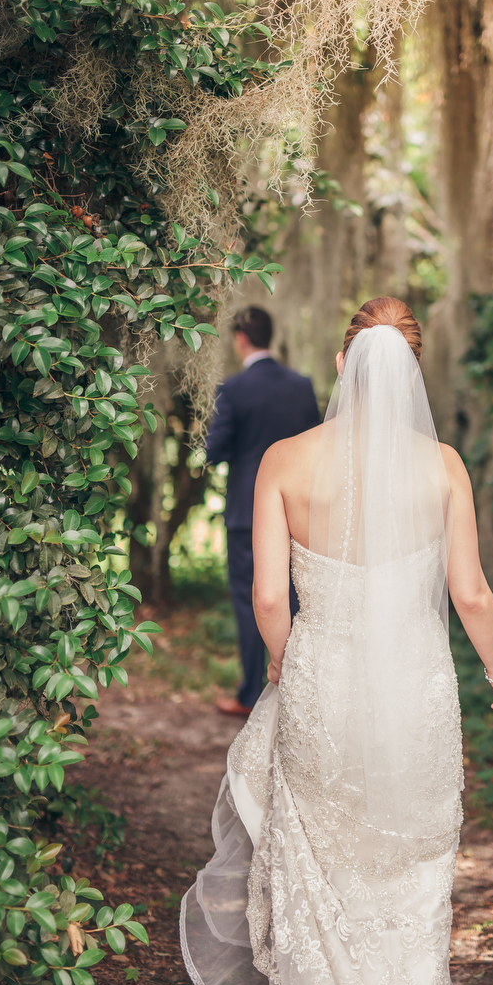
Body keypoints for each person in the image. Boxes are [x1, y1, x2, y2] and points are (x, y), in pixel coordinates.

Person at [181, 297, 493, 985]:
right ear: (412, 377)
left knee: (322, 862)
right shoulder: (445, 467)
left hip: (322, 686)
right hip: (416, 692)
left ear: (341, 367)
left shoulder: (284, 461)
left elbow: (269, 598)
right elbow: (470, 594)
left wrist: (283, 662)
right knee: (411, 862)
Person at [205, 306, 319, 718]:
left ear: (240, 338)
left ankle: (251, 693)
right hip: (298, 513)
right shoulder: (301, 386)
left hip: (247, 513)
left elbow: (213, 450)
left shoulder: (233, 389)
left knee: (251, 599)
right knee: (293, 599)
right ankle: (297, 689)